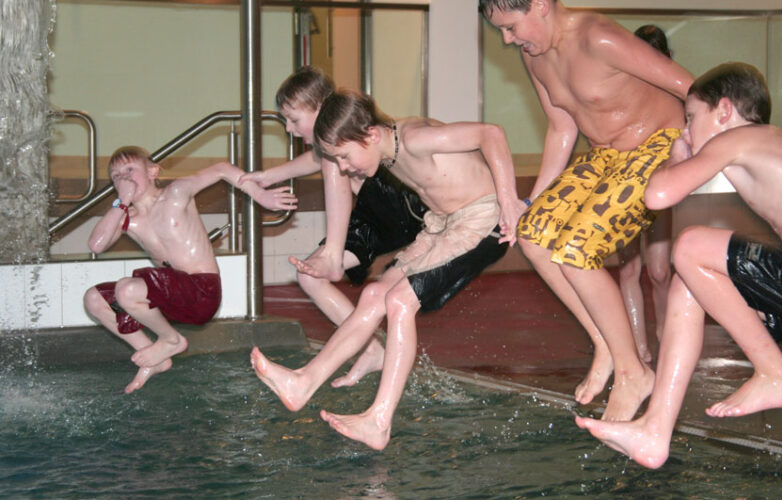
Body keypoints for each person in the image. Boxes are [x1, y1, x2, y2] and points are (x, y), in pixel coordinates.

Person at [250, 90, 526, 450]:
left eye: (345, 157)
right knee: (374, 294)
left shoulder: (414, 138)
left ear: (371, 136)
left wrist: (509, 199)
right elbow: (316, 162)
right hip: (440, 223)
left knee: (399, 302)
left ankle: (379, 420)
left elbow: (492, 133)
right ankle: (303, 382)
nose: (345, 167)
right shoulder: (384, 150)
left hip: (480, 218)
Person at [576, 62, 782, 468]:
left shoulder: (741, 139)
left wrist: (676, 157)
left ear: (725, 111)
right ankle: (654, 431)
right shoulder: (769, 143)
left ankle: (775, 373)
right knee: (690, 284)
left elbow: (658, 195)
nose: (686, 131)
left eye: (691, 118)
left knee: (692, 245)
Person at [480, 0, 694, 420]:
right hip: (606, 155)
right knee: (535, 236)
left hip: (657, 144)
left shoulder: (597, 36)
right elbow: (562, 127)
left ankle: (635, 373)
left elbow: (690, 88)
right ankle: (606, 344)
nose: (508, 40)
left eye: (510, 27)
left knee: (577, 250)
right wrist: (530, 204)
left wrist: (700, 151)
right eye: (500, 31)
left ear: (540, 5)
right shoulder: (534, 56)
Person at [241, 66, 428, 386]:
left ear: (320, 108)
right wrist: (271, 175)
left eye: (294, 119)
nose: (288, 128)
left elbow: (333, 178)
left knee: (330, 163)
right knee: (308, 275)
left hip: (404, 208)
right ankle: (371, 350)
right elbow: (316, 160)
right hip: (376, 219)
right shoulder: (329, 149)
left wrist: (332, 252)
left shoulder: (349, 138)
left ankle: (331, 257)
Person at [83, 146, 297, 393]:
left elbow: (221, 170)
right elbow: (96, 245)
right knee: (94, 299)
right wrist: (120, 202)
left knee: (127, 290)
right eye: (117, 176)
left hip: (201, 291)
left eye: (130, 170)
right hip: (172, 298)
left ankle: (170, 340)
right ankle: (156, 356)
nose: (124, 178)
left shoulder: (176, 193)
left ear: (153, 171)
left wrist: (261, 196)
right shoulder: (128, 217)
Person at [618, 24, 675, 362]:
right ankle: (638, 347)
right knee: (628, 269)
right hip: (623, 190)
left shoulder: (674, 96)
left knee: (659, 271)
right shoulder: (620, 94)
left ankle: (665, 334)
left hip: (659, 190)